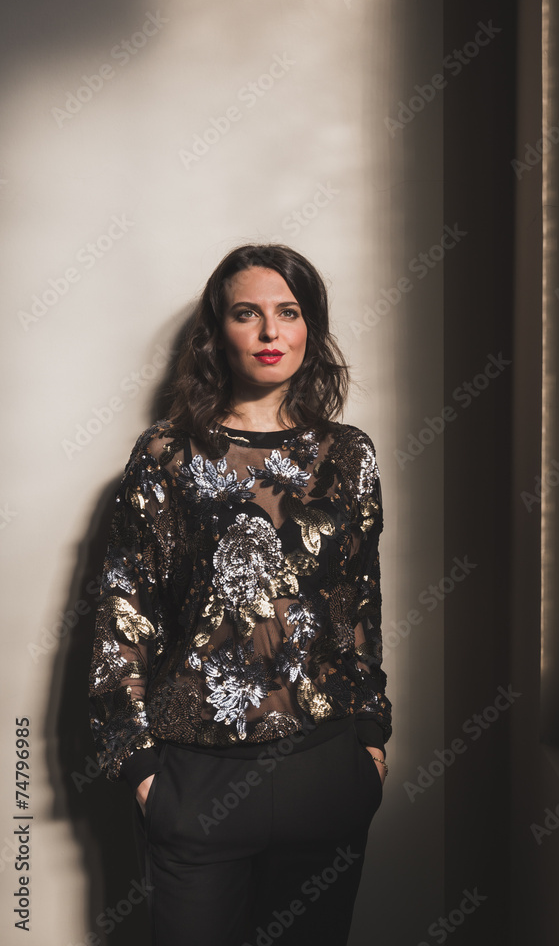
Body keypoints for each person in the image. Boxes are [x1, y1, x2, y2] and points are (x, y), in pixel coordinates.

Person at [88, 243, 392, 946]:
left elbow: (360, 605)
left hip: (326, 770)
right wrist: (140, 769)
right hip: (197, 777)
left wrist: (371, 743)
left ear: (311, 328)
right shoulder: (166, 454)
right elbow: (123, 614)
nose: (270, 332)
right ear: (216, 332)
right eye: (247, 313)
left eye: (289, 312)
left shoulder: (349, 455)